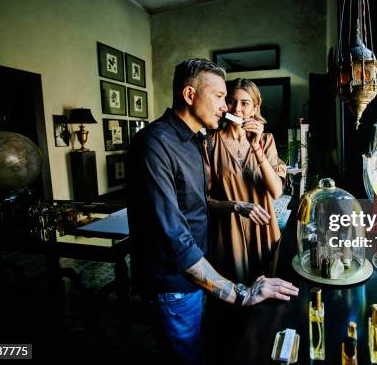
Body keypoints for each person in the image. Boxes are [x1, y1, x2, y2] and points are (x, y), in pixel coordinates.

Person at [126, 59, 298, 365]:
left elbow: (195, 205)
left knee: (202, 345)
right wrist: (239, 293)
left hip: (196, 275)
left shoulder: (193, 141)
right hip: (172, 284)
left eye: (234, 101)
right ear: (190, 95)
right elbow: (173, 236)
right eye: (220, 97)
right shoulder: (153, 144)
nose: (226, 106)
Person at [204, 78, 286, 284]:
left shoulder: (267, 141)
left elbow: (276, 192)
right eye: (231, 101)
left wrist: (256, 147)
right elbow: (203, 200)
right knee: (233, 301)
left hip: (264, 230)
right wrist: (237, 206)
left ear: (255, 108)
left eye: (245, 103)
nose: (237, 109)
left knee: (266, 299)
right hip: (227, 233)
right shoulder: (209, 143)